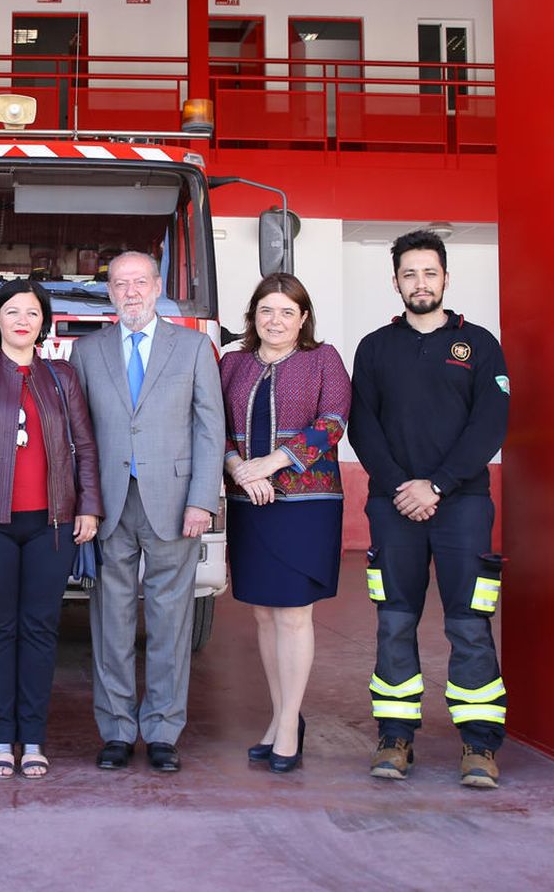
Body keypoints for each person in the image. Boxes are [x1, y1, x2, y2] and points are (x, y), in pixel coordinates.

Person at [348, 229, 511, 789]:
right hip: (392, 506)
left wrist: (436, 486)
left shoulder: (480, 344)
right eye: (409, 274)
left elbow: (489, 425)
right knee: (394, 623)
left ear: (445, 277)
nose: (420, 282)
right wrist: (402, 487)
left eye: (429, 272)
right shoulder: (374, 347)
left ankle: (479, 745)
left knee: (469, 624)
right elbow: (362, 426)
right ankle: (395, 737)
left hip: (463, 505)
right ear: (395, 281)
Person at [70, 251, 226, 773]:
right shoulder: (87, 351)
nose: (131, 292)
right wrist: (84, 502)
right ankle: (115, 729)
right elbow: (79, 437)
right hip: (110, 506)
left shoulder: (196, 347)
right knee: (109, 624)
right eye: (120, 284)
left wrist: (203, 499)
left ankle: (162, 730)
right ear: (109, 292)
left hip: (176, 503)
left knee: (170, 622)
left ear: (157, 287)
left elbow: (210, 428)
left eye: (140, 282)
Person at [0, 280, 102, 778]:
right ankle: (0, 739)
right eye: (12, 311)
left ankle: (32, 739)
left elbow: (86, 446)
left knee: (39, 630)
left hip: (51, 526)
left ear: (43, 322)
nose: (22, 320)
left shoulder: (62, 378)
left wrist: (89, 506)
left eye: (32, 312)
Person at [219, 273, 350, 774]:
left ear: (304, 318)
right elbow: (217, 427)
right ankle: (280, 719)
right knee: (263, 614)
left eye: (287, 312)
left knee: (294, 613)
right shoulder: (231, 363)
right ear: (253, 316)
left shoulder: (324, 359)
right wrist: (237, 469)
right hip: (249, 500)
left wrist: (270, 464)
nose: (276, 321)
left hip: (306, 503)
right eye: (266, 311)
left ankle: (290, 725)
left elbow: (333, 421)